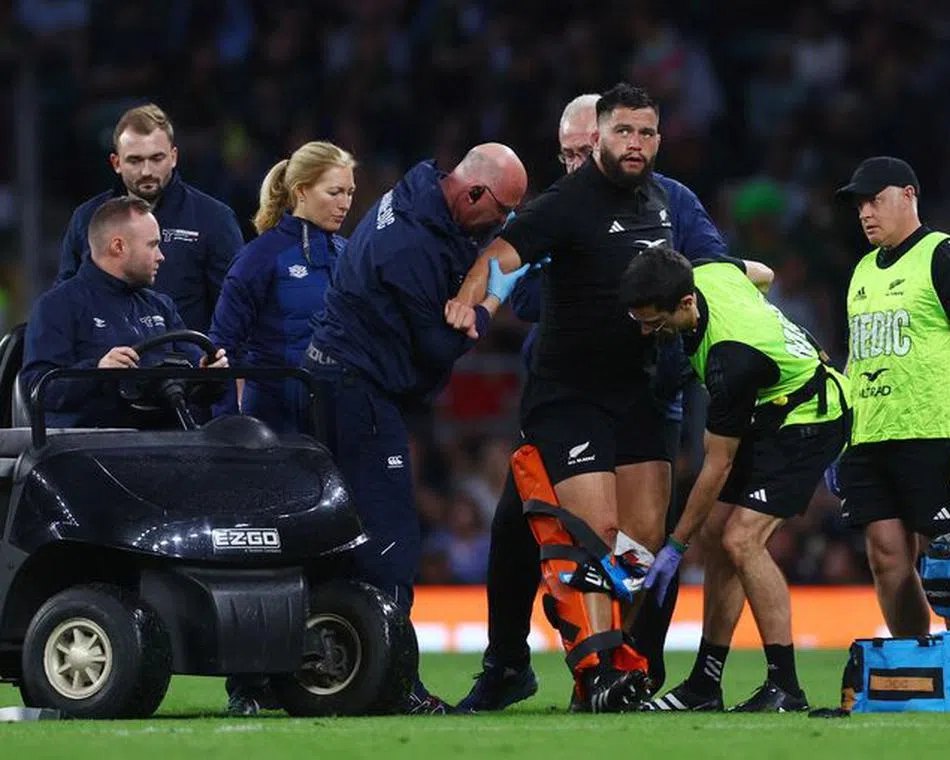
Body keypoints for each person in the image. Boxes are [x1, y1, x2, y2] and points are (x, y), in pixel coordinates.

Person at [459, 93, 728, 712]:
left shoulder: (671, 202)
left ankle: (630, 665)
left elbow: (714, 275)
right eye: (572, 153)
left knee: (639, 545)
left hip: (648, 394)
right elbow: (513, 282)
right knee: (566, 535)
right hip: (568, 396)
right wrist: (490, 300)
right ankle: (568, 666)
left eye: (645, 133)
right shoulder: (562, 207)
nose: (582, 160)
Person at [303, 143, 528, 714]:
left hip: (341, 384)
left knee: (345, 538)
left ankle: (344, 671)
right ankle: (394, 683)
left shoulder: (419, 192)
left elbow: (475, 247)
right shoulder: (410, 243)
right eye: (499, 211)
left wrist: (469, 278)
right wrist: (482, 307)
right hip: (359, 392)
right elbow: (436, 344)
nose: (501, 225)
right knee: (392, 543)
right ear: (474, 194)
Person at [620, 248, 849, 712]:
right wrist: (776, 331)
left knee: (741, 540)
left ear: (686, 303)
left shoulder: (730, 360)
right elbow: (764, 273)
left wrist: (675, 548)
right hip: (774, 406)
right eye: (640, 321)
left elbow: (717, 464)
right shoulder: (712, 271)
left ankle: (785, 686)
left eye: (656, 322)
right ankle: (705, 685)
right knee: (716, 531)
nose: (648, 332)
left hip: (809, 418)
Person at [830, 156, 950, 708]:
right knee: (885, 555)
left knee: (948, 564)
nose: (865, 213)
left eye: (874, 199)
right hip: (872, 435)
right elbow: (856, 356)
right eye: (859, 204)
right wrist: (843, 430)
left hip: (935, 434)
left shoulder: (946, 257)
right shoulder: (860, 271)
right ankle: (917, 668)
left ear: (909, 195)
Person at [22, 197, 228, 429]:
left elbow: (199, 384)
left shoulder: (161, 306)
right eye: (152, 245)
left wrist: (210, 374)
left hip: (165, 443)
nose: (161, 256)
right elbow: (36, 388)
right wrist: (97, 372)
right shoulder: (57, 306)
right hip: (89, 448)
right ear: (118, 246)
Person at [57, 103, 244, 333]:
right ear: (116, 163)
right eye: (135, 160)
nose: (146, 171)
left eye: (156, 158)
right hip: (101, 364)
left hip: (185, 363)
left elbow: (235, 311)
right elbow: (64, 303)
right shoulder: (86, 218)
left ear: (173, 157)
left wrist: (212, 362)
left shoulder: (214, 219)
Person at [209, 141, 356, 433]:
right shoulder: (259, 257)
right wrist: (224, 427)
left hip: (340, 420)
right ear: (301, 191)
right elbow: (222, 346)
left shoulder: (350, 255)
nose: (345, 203)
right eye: (334, 192)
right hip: (274, 423)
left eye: (350, 192)